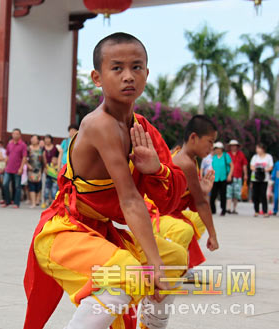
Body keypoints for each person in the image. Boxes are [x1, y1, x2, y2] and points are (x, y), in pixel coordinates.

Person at [23, 33, 188, 329]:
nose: (128, 76)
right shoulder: (100, 125)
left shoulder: (140, 127)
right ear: (97, 78)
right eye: (117, 68)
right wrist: (153, 264)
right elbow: (129, 199)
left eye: (136, 67)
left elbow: (169, 197)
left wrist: (154, 169)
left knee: (174, 256)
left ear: (147, 74)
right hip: (65, 233)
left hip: (101, 231)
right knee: (127, 276)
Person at [161, 115, 219, 282]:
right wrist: (213, 235)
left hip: (170, 213)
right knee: (185, 229)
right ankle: (170, 268)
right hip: (156, 215)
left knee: (197, 221)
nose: (212, 147)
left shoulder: (186, 157)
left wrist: (203, 190)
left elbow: (195, 197)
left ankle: (182, 264)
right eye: (210, 141)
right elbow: (200, 202)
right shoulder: (185, 162)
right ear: (194, 137)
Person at [2, 129, 27, 208]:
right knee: (5, 184)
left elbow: (24, 157)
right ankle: (7, 201)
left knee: (17, 186)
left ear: (20, 135)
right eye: (14, 133)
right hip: (8, 168)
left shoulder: (23, 145)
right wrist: (4, 166)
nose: (15, 135)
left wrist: (21, 168)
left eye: (17, 134)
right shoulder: (9, 144)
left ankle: (16, 203)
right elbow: (7, 156)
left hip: (17, 169)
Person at [250, 143, 274, 217]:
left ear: (262, 149)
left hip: (264, 178)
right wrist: (257, 169)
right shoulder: (255, 157)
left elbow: (271, 167)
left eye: (258, 148)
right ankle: (256, 211)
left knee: (263, 194)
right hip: (255, 178)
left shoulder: (268, 157)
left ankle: (265, 211)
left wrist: (264, 170)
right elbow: (251, 166)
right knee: (255, 195)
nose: (257, 150)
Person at [210, 142, 233, 216]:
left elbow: (232, 166)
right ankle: (213, 209)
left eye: (217, 148)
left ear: (221, 149)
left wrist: (229, 175)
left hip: (223, 178)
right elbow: (212, 167)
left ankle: (223, 209)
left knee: (223, 194)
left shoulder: (226, 156)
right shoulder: (214, 157)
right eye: (215, 148)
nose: (216, 150)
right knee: (213, 195)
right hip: (215, 178)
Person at [226, 139, 248, 214]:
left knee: (236, 193)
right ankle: (228, 208)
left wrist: (245, 174)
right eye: (232, 146)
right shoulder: (227, 154)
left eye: (234, 146)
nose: (233, 147)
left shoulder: (241, 154)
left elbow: (244, 165)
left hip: (238, 176)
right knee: (229, 192)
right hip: (229, 176)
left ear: (237, 146)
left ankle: (234, 209)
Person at [27, 135, 44, 209]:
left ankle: (37, 200)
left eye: (34, 139)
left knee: (38, 185)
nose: (33, 140)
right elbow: (24, 158)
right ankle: (33, 202)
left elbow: (44, 160)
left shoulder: (41, 149)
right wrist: (28, 165)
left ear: (38, 140)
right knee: (31, 185)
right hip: (31, 170)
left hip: (39, 170)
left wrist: (43, 169)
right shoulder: (28, 148)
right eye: (32, 138)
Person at [42, 135, 59, 207]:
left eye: (48, 138)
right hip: (47, 168)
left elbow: (58, 157)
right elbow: (43, 159)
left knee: (54, 187)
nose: (47, 140)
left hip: (54, 169)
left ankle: (52, 202)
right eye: (45, 139)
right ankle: (45, 201)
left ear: (51, 139)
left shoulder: (55, 148)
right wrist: (45, 168)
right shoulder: (43, 148)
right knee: (46, 186)